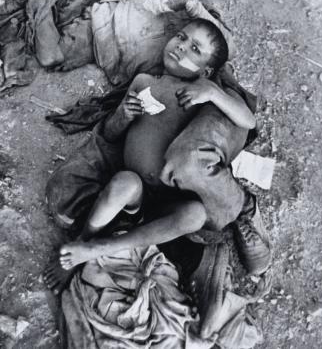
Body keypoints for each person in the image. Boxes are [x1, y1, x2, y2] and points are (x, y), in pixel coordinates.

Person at [57, 18, 256, 271]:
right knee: (123, 183)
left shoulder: (201, 95)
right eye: (181, 37)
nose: (181, 47)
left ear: (205, 72)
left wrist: (214, 94)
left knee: (195, 215)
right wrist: (123, 116)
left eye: (195, 49)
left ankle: (105, 247)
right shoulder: (143, 82)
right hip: (136, 191)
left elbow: (247, 121)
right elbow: (109, 134)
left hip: (171, 197)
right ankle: (83, 242)